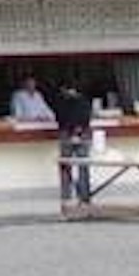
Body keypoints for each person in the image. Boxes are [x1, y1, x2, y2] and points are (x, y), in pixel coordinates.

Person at [46, 78, 98, 212]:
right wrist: (79, 131)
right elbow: (87, 117)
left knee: (66, 167)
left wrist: (72, 132)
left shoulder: (61, 101)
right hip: (82, 134)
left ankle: (66, 197)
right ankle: (84, 197)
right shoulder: (85, 101)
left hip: (66, 135)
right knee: (83, 166)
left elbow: (59, 118)